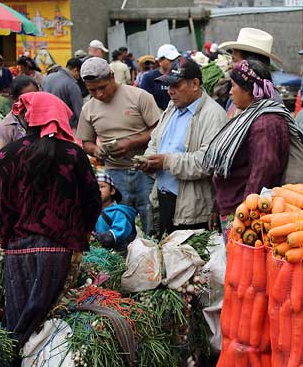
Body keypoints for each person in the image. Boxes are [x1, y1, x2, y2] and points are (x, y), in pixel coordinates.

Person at [0, 91, 101, 348]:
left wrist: (5, 228)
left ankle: (14, 357)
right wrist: (84, 232)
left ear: (29, 119)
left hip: (17, 246)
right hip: (59, 246)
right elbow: (92, 200)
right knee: (51, 311)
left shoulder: (7, 154)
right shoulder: (73, 154)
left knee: (18, 308)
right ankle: (41, 363)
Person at [203, 59, 303, 233]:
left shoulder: (265, 123)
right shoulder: (251, 116)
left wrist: (245, 214)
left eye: (233, 86)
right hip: (234, 206)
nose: (230, 92)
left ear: (250, 89)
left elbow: (262, 173)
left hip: (243, 213)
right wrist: (217, 205)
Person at [139, 59, 228, 238]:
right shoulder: (172, 108)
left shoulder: (214, 115)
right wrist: (148, 159)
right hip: (164, 198)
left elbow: (207, 161)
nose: (170, 91)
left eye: (176, 85)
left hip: (191, 207)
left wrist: (167, 161)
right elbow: (155, 141)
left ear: (195, 84)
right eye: (168, 85)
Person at [76, 57, 161, 237]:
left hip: (145, 170)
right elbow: (86, 142)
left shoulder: (139, 96)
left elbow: (159, 130)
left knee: (151, 222)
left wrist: (131, 143)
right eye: (92, 90)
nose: (99, 94)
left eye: (102, 87)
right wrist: (95, 150)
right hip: (115, 174)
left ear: (112, 77)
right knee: (121, 225)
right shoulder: (88, 109)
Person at [217, 27, 286, 116]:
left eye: (234, 60)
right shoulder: (237, 94)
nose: (230, 65)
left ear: (251, 65)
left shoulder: (270, 107)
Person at [0, 76, 39, 151]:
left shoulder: (44, 119)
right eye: (27, 98)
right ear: (13, 99)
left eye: (36, 96)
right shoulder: (5, 128)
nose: (32, 102)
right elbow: (1, 158)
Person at [93, 173, 138, 251]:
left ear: (112, 191)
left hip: (118, 253)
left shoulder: (119, 212)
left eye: (102, 186)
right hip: (98, 251)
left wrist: (97, 237)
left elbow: (119, 233)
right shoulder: (91, 212)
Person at [42, 58, 84, 131]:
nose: (80, 77)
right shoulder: (72, 85)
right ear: (75, 70)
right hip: (67, 127)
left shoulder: (47, 78)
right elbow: (79, 112)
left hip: (47, 125)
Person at [141, 44, 180, 110]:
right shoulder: (149, 78)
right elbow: (145, 103)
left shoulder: (180, 75)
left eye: (176, 59)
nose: (174, 63)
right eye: (170, 60)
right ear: (160, 61)